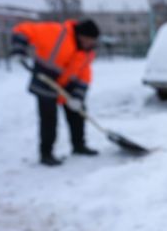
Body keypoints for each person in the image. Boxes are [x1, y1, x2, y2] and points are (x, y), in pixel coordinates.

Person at [10, 18, 101, 166]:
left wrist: (78, 96)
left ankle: (79, 146)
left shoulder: (87, 52)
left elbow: (85, 75)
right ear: (81, 35)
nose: (91, 44)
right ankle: (46, 154)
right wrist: (19, 48)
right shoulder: (56, 32)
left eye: (93, 41)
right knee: (49, 119)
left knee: (78, 112)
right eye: (89, 40)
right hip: (45, 81)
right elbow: (23, 29)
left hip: (67, 85)